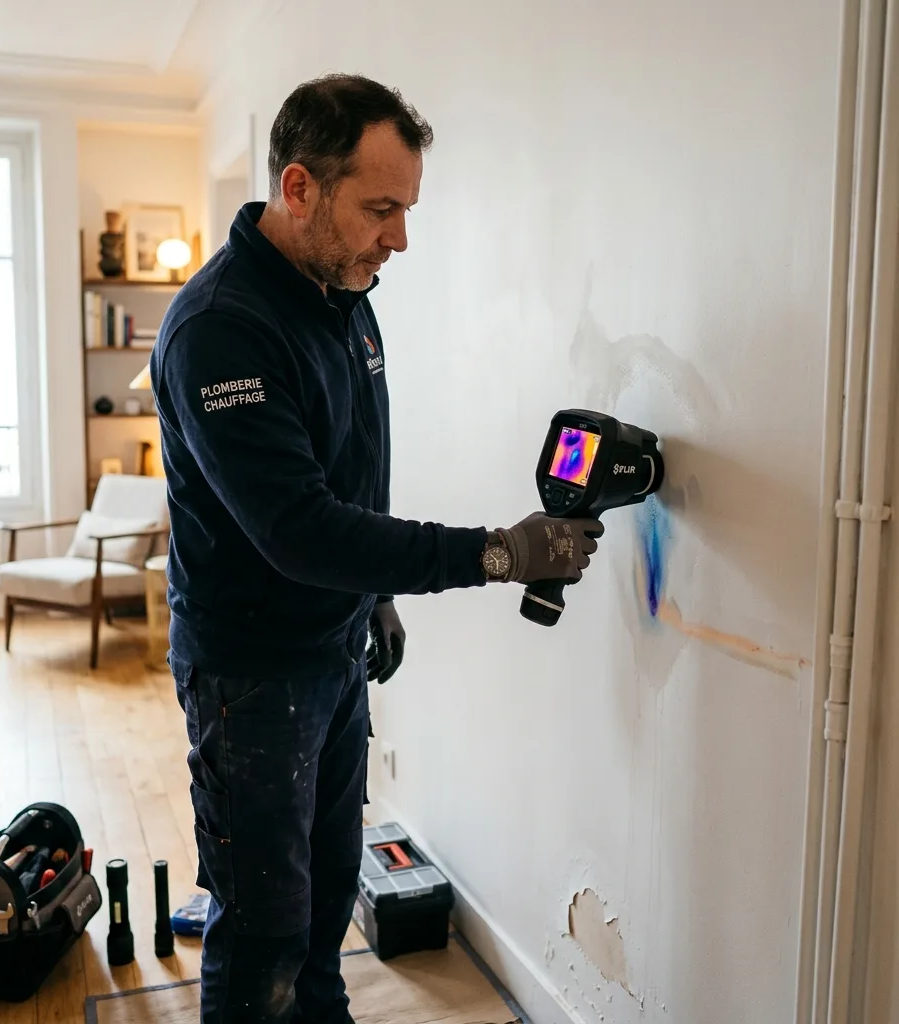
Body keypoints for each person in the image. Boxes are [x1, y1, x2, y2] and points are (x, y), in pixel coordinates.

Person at [150, 73, 604, 1024]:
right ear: (300, 187)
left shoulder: (343, 289)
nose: (399, 237)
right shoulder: (222, 329)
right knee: (265, 929)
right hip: (251, 677)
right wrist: (499, 554)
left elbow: (354, 467)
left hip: (332, 652)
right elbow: (299, 529)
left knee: (323, 907)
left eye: (405, 209)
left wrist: (376, 599)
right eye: (382, 208)